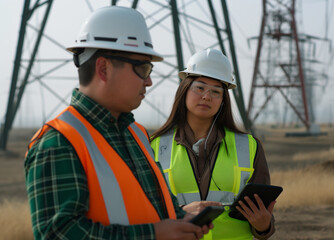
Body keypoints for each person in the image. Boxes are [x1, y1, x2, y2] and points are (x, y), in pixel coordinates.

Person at [24, 6, 211, 240]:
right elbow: (58, 235)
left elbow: (146, 211)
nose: (150, 81)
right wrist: (153, 235)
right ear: (103, 68)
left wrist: (180, 218)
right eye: (143, 68)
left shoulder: (136, 133)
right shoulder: (58, 142)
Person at [151, 48, 276, 239]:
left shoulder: (250, 147)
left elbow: (263, 218)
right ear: (184, 90)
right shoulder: (154, 147)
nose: (206, 96)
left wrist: (264, 226)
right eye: (199, 88)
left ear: (223, 101)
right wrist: (181, 212)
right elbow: (144, 212)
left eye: (216, 92)